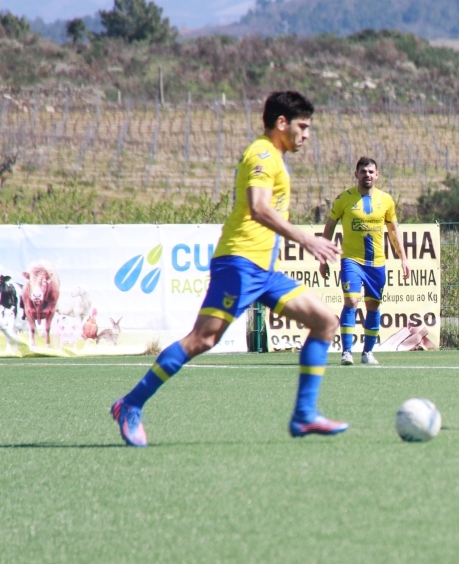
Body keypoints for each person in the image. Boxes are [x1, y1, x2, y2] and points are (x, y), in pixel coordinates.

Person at [111, 91, 347, 447]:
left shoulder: (275, 157)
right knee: (202, 339)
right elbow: (258, 208)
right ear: (282, 123)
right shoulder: (263, 154)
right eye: (303, 126)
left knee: (325, 321)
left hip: (263, 271)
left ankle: (304, 415)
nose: (307, 134)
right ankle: (130, 404)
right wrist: (306, 239)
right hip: (239, 264)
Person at [319, 157, 410, 366]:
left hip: (377, 263)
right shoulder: (343, 199)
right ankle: (346, 352)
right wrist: (323, 258)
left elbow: (394, 230)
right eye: (363, 172)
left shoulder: (386, 200)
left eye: (371, 172)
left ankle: (367, 353)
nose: (367, 175)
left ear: (377, 175)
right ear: (356, 174)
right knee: (351, 301)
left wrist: (404, 258)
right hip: (351, 260)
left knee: (373, 306)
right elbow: (329, 227)